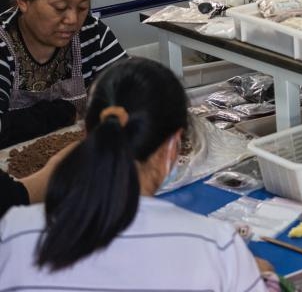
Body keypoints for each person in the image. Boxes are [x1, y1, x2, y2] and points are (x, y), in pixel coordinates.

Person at [0, 58, 275, 291]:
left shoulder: (13, 233)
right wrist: (260, 277)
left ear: (85, 136)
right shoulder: (216, 245)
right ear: (173, 146)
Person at [0, 0, 126, 148]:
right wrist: (64, 113)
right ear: (23, 0)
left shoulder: (92, 34)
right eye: (60, 8)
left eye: (82, 7)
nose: (73, 20)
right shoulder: (3, 46)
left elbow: (132, 94)